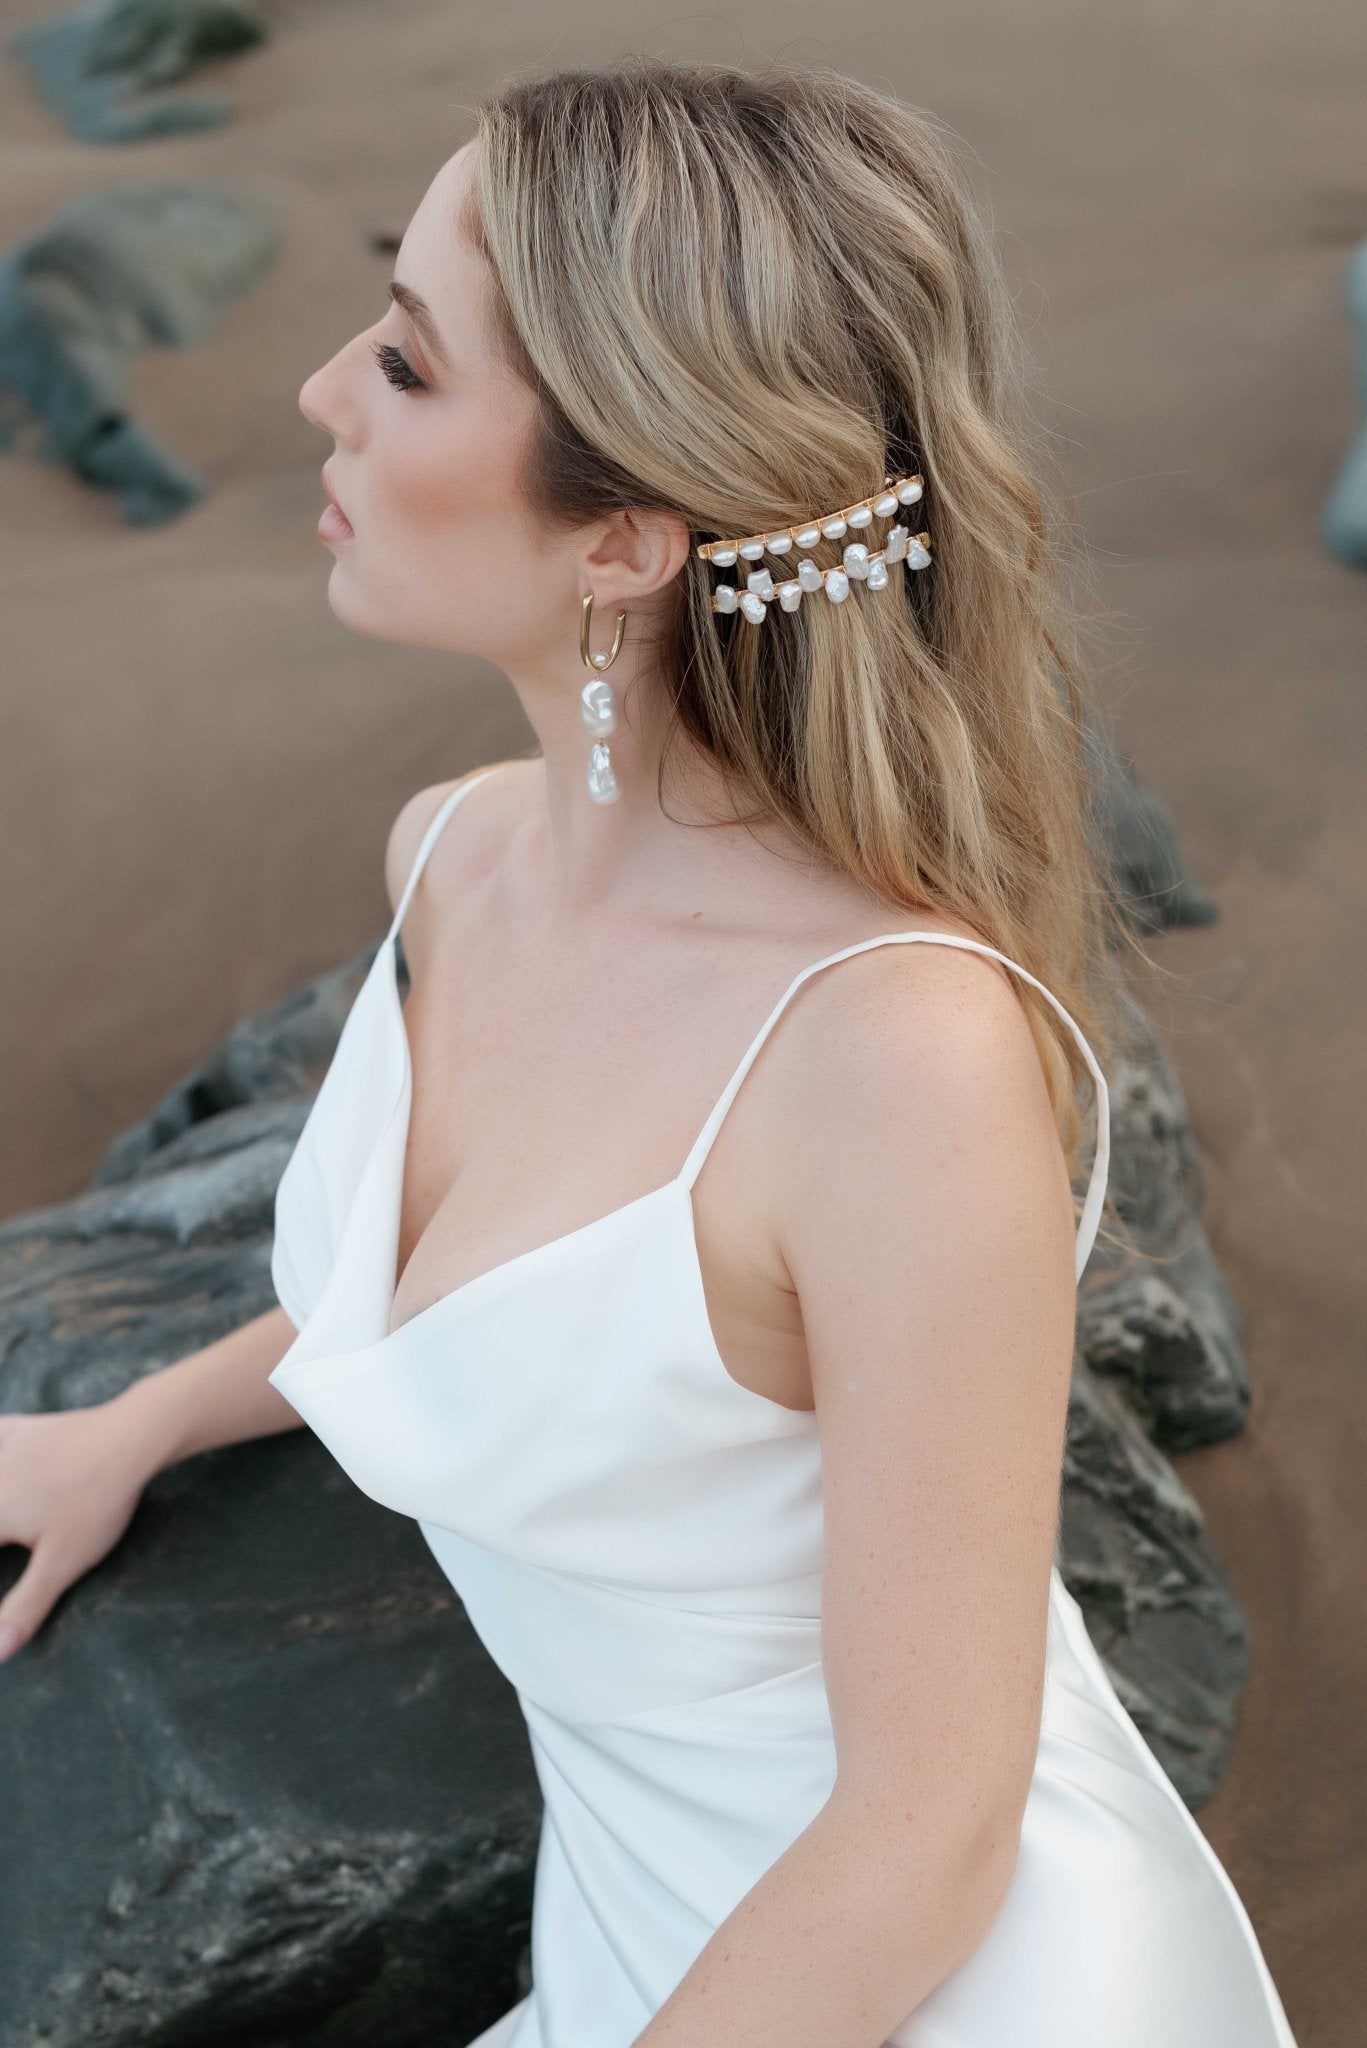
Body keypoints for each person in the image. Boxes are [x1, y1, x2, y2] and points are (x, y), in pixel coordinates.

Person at [0, 59, 1299, 2048]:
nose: (319, 393)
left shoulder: (894, 1059)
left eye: (412, 367)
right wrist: (133, 1427)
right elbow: (510, 1309)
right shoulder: (452, 854)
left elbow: (928, 1827)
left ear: (624, 539)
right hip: (640, 1934)